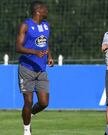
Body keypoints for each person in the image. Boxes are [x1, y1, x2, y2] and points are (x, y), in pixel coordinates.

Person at [16, 1, 53, 135]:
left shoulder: (46, 26)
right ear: (38, 11)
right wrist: (34, 52)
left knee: (44, 103)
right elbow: (18, 47)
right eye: (45, 9)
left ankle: (29, 114)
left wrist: (49, 56)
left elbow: (45, 43)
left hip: (41, 69)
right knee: (29, 100)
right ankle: (27, 131)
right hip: (26, 69)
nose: (47, 11)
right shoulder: (26, 25)